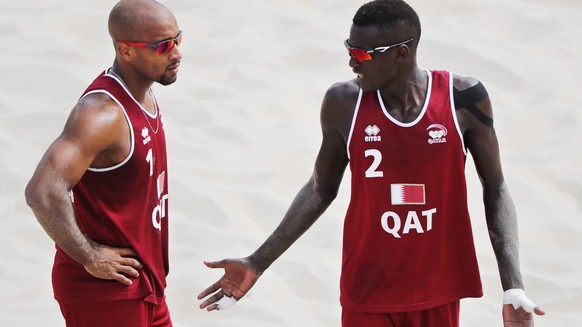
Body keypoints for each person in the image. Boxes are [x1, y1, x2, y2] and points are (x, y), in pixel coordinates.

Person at [197, 0, 545, 326]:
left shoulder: (463, 98)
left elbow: (496, 189)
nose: (351, 62)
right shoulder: (342, 102)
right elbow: (320, 189)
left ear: (401, 53)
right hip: (367, 288)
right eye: (348, 49)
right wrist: (258, 262)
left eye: (360, 53)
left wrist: (513, 285)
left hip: (436, 288)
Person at [24, 0, 182, 326]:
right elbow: (42, 190)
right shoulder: (102, 114)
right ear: (126, 51)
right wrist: (90, 256)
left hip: (144, 284)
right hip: (104, 293)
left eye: (178, 39)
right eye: (163, 46)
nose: (177, 53)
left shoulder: (145, 93)